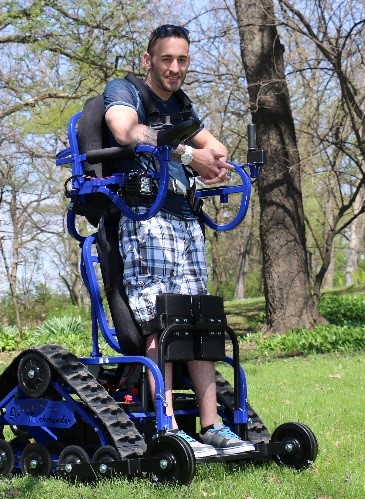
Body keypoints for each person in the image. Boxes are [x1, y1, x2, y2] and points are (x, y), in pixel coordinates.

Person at [103, 24, 254, 459]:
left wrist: (216, 164)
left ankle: (213, 426)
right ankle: (167, 424)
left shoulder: (182, 106)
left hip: (185, 217)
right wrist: (189, 155)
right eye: (166, 59)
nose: (174, 68)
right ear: (148, 60)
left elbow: (216, 146)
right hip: (143, 215)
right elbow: (126, 133)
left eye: (182, 60)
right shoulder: (126, 90)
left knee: (198, 319)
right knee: (161, 316)